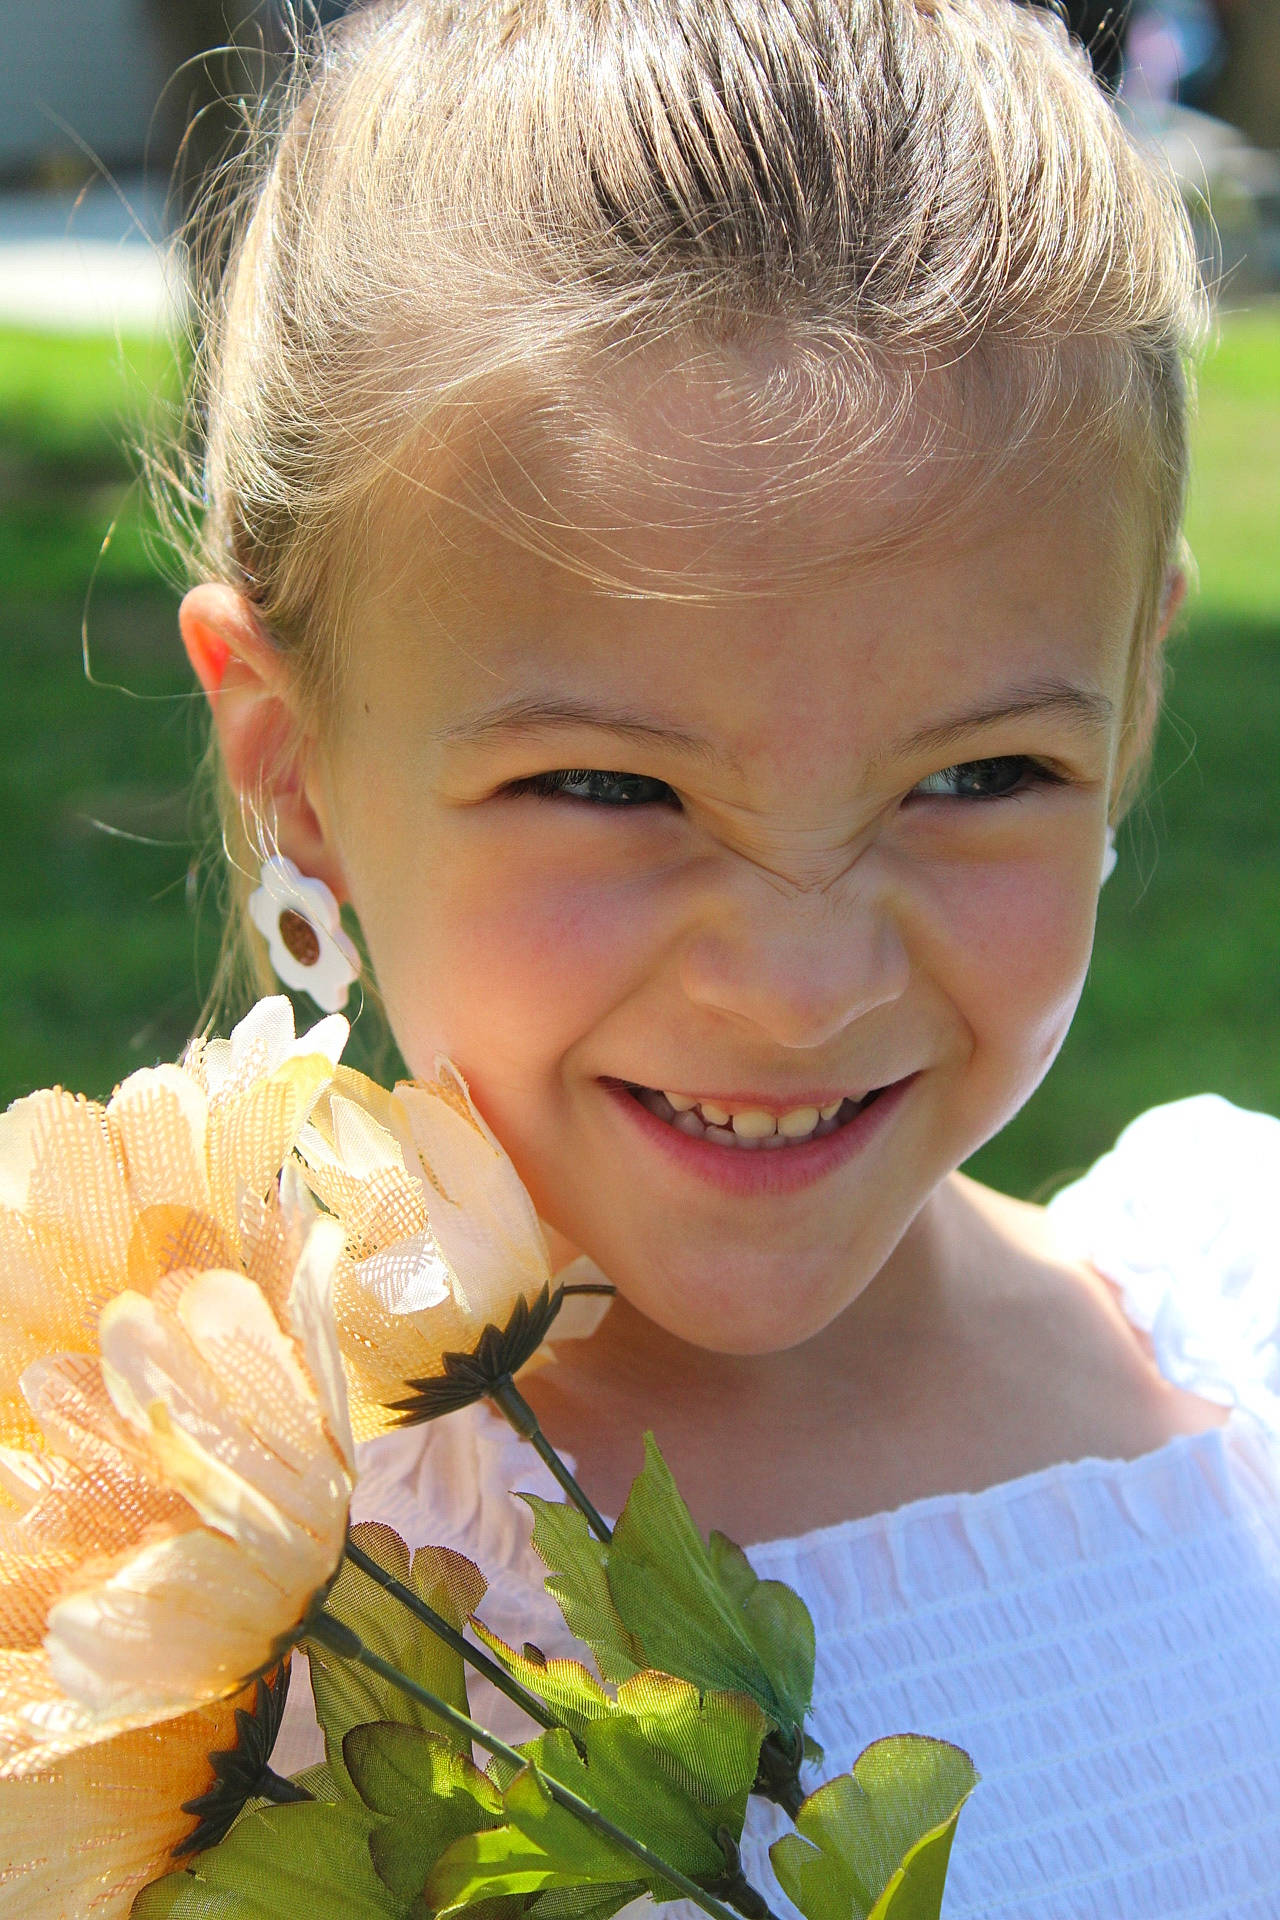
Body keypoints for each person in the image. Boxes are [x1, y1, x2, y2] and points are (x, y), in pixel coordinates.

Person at [170, 0, 1280, 1909]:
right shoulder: (217, 1618)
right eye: (609, 786)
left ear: (1138, 690)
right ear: (294, 766)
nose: (800, 983)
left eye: (981, 774)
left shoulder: (1245, 1347)